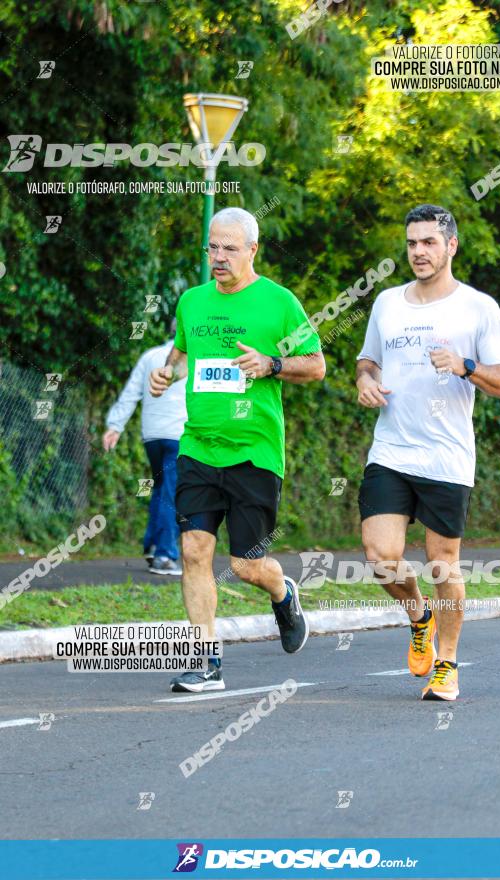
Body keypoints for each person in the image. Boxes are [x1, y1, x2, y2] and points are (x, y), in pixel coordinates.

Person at [149, 207, 326, 692]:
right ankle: (205, 662)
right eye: (213, 247)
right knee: (193, 550)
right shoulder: (192, 302)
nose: (219, 257)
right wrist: (167, 372)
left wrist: (271, 363)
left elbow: (316, 365)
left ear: (253, 250)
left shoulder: (278, 302)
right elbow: (183, 353)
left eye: (230, 248)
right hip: (199, 447)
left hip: (255, 451)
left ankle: (282, 591)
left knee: (246, 564)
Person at [356, 204, 500, 701]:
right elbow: (368, 360)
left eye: (429, 242)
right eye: (412, 243)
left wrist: (465, 365)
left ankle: (446, 665)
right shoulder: (387, 303)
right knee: (381, 557)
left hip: (446, 456)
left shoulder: (478, 307)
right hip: (391, 449)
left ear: (451, 246)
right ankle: (418, 614)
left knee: (443, 565)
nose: (419, 252)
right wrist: (365, 380)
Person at [103, 319, 187, 576]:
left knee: (161, 488)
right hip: (180, 434)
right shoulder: (194, 359)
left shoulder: (150, 356)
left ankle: (152, 545)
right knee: (172, 493)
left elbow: (131, 393)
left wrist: (115, 426)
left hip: (152, 436)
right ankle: (164, 555)